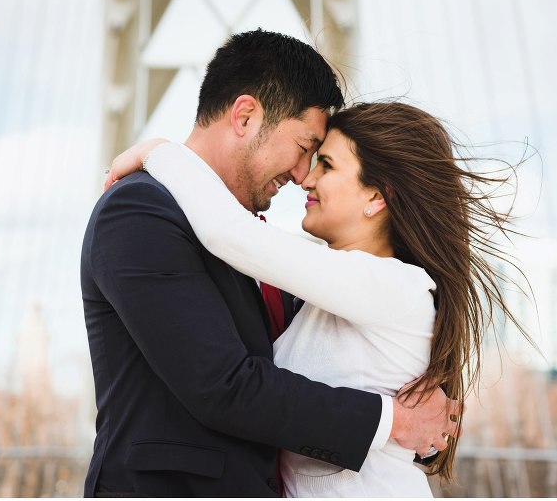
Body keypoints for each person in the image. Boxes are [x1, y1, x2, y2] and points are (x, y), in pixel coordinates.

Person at [81, 30, 459, 498]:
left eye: (322, 162)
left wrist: (415, 429)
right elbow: (224, 385)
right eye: (305, 149)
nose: (304, 176)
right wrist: (394, 422)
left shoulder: (289, 260)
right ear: (245, 116)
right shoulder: (140, 210)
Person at [107, 100, 532, 496]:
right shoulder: (324, 291)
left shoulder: (392, 286)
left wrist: (160, 153)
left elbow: (229, 233)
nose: (306, 178)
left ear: (376, 197)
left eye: (325, 165)